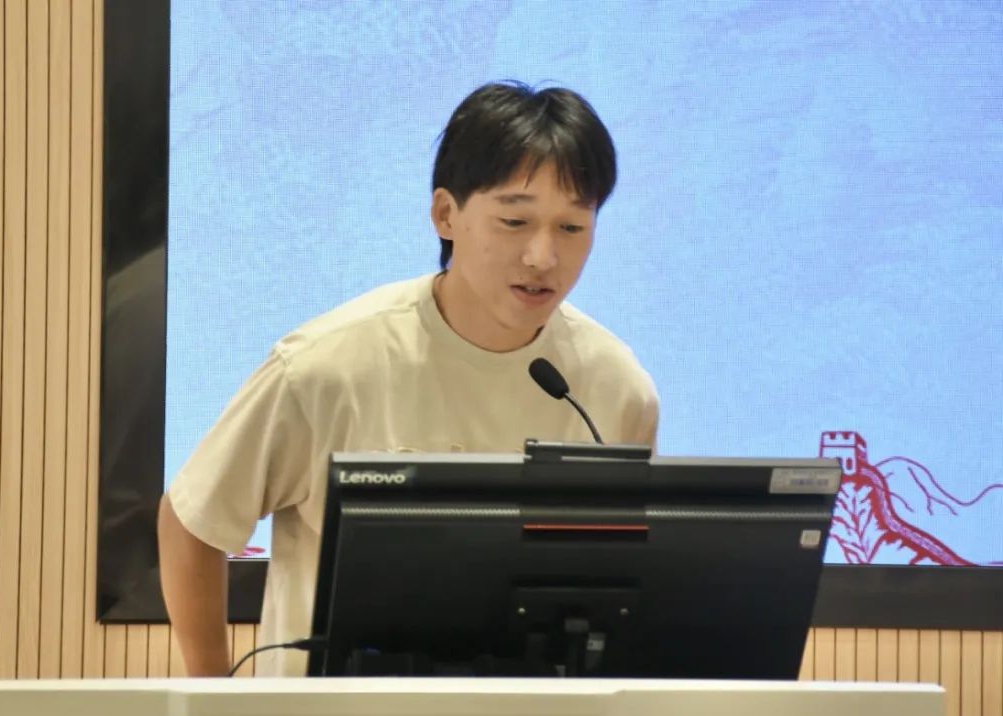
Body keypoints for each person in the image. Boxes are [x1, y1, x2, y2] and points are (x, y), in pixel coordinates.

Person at [157, 80, 660, 677]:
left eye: (572, 228)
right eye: (514, 221)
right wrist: (216, 700)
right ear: (446, 214)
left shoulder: (614, 388)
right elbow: (193, 521)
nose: (542, 256)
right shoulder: (327, 364)